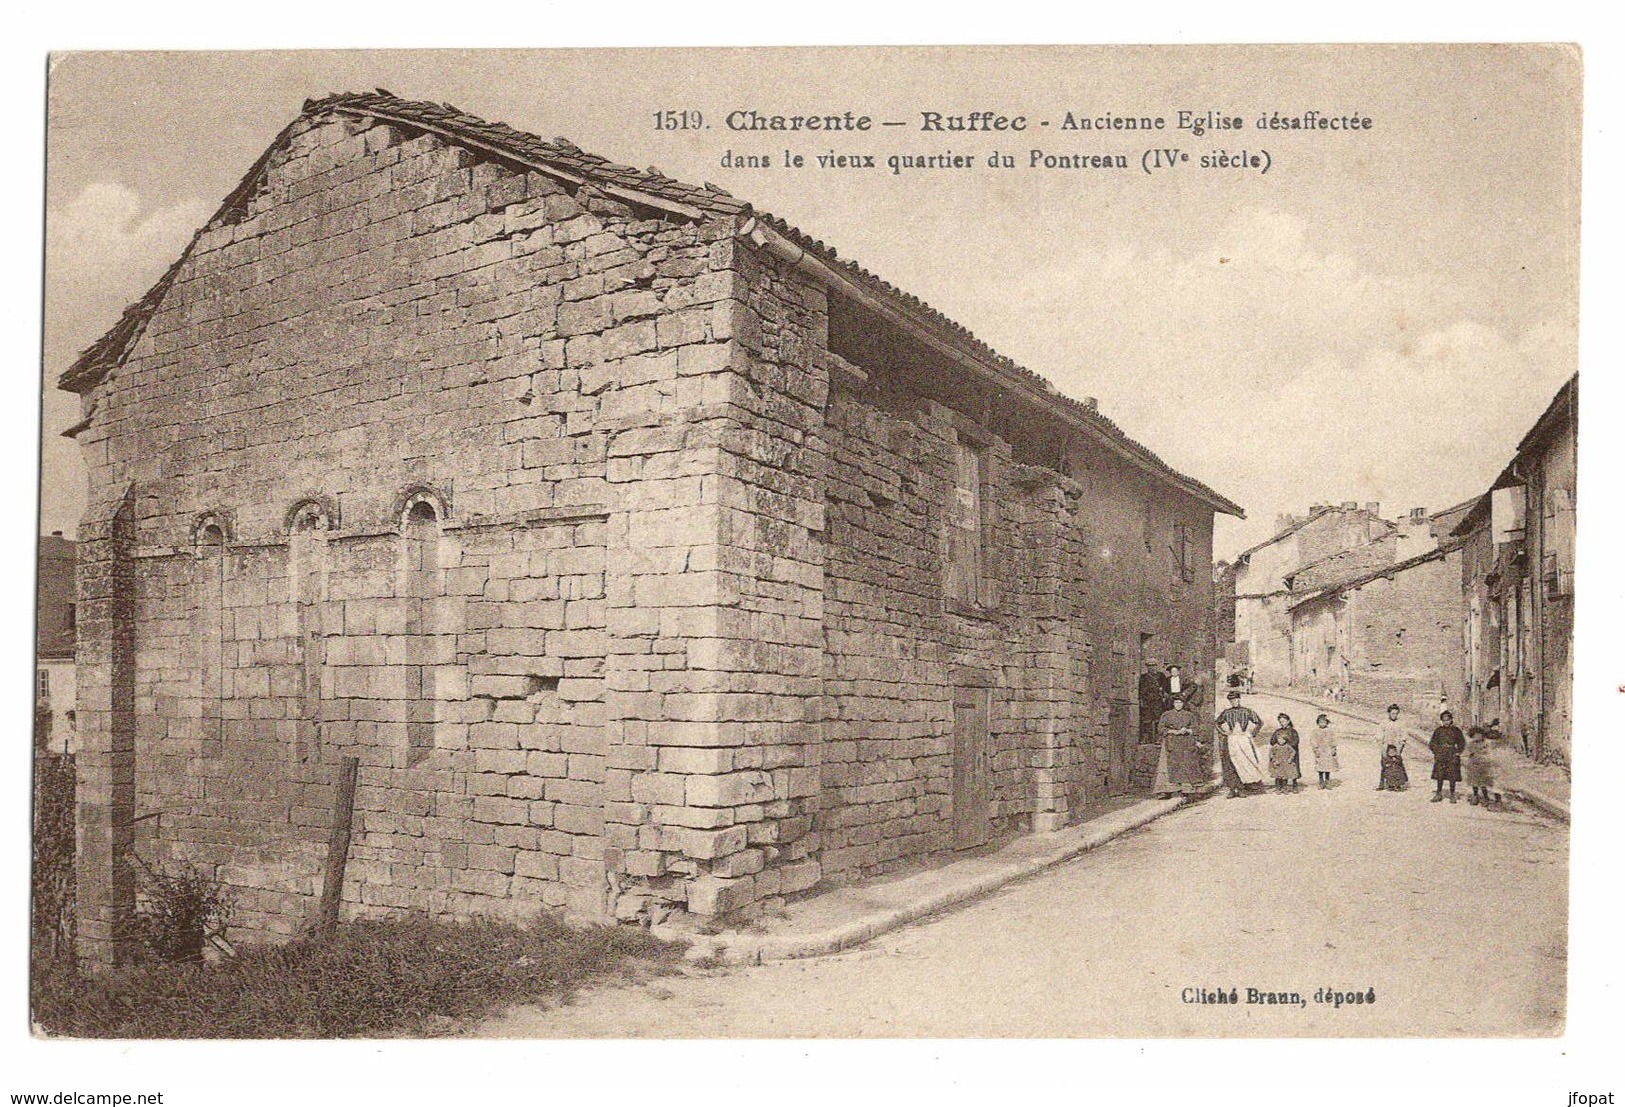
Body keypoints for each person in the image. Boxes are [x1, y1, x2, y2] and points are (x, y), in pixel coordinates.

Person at [1215, 690, 1265, 798]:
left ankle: (1242, 788)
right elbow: (1217, 722)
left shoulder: (1247, 711)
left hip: (1243, 740)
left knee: (1244, 763)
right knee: (1231, 763)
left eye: (1236, 699)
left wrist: (1252, 733)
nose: (1234, 702)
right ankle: (1233, 789)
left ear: (1239, 699)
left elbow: (1259, 722)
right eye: (1232, 700)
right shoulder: (1227, 713)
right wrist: (1224, 732)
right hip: (1231, 739)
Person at [1155, 693, 1207, 797]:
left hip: (1186, 743)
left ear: (1183, 704)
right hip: (1171, 742)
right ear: (1173, 704)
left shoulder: (1189, 715)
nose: (1178, 705)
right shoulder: (1166, 715)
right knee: (1169, 766)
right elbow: (1160, 729)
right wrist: (1174, 732)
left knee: (1185, 764)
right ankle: (1167, 791)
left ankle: (1186, 790)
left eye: (1180, 703)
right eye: (1176, 702)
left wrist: (1187, 730)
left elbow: (1196, 729)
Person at [1429, 710, 1467, 804]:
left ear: (1451, 720)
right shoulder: (1438, 731)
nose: (1446, 722)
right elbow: (1432, 743)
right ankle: (1438, 793)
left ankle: (1452, 793)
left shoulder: (1456, 730)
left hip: (1452, 754)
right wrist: (1436, 751)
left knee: (1452, 775)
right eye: (1444, 720)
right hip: (1441, 754)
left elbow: (1462, 742)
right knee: (1439, 774)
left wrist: (1458, 752)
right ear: (1441, 721)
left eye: (1448, 720)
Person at [1375, 704, 1412, 791]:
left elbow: (1403, 736)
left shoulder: (1401, 724)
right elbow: (1379, 736)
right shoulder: (1383, 723)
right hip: (1386, 746)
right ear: (1389, 713)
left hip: (1396, 747)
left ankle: (1398, 783)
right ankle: (1382, 784)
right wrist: (1382, 749)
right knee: (1385, 765)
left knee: (1397, 765)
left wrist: (1400, 749)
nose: (1394, 715)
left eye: (1396, 713)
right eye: (1392, 713)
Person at [1464, 725, 1500, 806]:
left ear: (1482, 735)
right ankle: (1475, 796)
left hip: (1484, 765)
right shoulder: (1471, 744)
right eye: (1475, 736)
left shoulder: (1486, 743)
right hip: (1473, 765)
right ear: (1472, 736)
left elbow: (1489, 753)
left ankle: (1485, 797)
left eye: (1479, 735)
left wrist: (1488, 758)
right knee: (1474, 781)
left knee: (1484, 782)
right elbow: (1467, 753)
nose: (1477, 737)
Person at [1269, 713, 1301, 793]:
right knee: (1280, 769)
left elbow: (1296, 741)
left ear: (1288, 721)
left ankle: (1294, 785)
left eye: (1284, 721)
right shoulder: (1278, 731)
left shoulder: (1293, 731)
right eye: (1280, 721)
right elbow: (1272, 741)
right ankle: (1280, 786)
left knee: (1293, 769)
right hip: (1280, 754)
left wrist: (1286, 745)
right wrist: (1279, 745)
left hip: (1290, 753)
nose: (1282, 723)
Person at [1139, 660, 1168, 744]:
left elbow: (1165, 687)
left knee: (1158, 720)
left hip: (1157, 701)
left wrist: (1163, 693)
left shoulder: (1161, 676)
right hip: (1147, 701)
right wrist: (1141, 701)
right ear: (1147, 667)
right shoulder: (1143, 677)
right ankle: (1146, 738)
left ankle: (1158, 738)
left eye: (1153, 666)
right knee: (1146, 720)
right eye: (1149, 666)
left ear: (1156, 666)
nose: (1151, 668)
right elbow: (1141, 690)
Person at [1310, 712, 1338, 788]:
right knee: (1320, 767)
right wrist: (1315, 749)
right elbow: (1313, 740)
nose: (1322, 724)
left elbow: (1333, 740)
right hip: (1320, 751)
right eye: (1320, 722)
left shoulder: (1330, 731)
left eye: (1324, 722)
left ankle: (1327, 780)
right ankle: (1321, 781)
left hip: (1328, 751)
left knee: (1327, 767)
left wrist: (1334, 748)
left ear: (1327, 723)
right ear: (1318, 723)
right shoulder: (1315, 731)